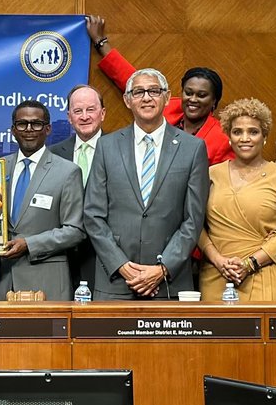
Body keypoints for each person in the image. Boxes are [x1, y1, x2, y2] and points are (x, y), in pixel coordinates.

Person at [82, 68, 209, 300]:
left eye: (154, 91)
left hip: (169, 283)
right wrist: (121, 265)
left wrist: (162, 268)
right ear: (127, 100)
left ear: (168, 97)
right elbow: (93, 214)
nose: (147, 97)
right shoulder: (106, 146)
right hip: (116, 282)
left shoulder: (193, 148)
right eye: (138, 92)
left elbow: (194, 219)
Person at [86, 15, 234, 166]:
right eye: (188, 93)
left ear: (214, 100)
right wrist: (101, 42)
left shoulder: (222, 138)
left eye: (201, 95)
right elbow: (132, 80)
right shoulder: (166, 106)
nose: (193, 99)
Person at [198, 99, 276, 301]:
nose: (245, 138)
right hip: (218, 274)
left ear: (264, 137)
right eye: (237, 132)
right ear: (229, 137)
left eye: (253, 132)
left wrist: (250, 263)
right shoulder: (210, 175)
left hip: (268, 274)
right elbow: (194, 224)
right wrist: (218, 261)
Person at [0, 101, 86, 301]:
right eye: (22, 124)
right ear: (13, 130)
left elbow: (75, 231)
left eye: (36, 124)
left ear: (48, 129)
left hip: (47, 283)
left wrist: (29, 244)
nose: (29, 130)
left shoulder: (67, 172)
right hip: (2, 283)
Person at [48, 84, 105, 286]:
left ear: (103, 113)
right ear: (69, 117)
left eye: (91, 109)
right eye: (77, 111)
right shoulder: (52, 154)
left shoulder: (120, 150)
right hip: (62, 256)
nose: (84, 116)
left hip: (104, 258)